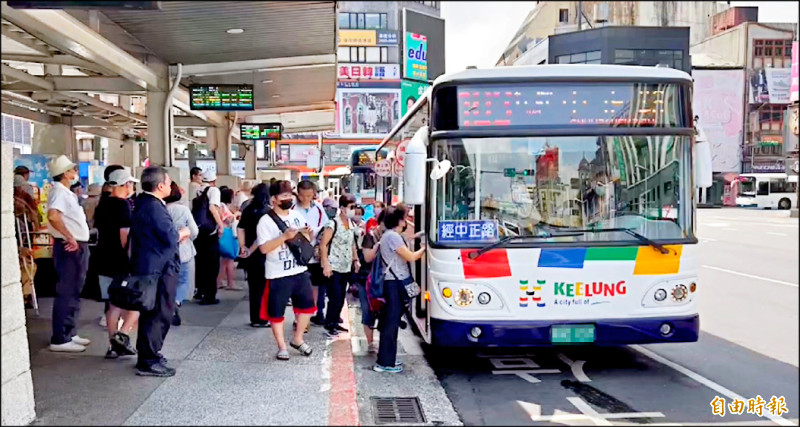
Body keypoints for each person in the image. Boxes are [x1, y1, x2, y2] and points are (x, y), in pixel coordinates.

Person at [131, 166, 188, 377]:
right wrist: (184, 231)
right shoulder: (153, 207)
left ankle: (149, 353)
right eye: (169, 181)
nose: (172, 185)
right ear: (161, 185)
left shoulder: (144, 203)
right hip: (159, 269)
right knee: (159, 313)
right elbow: (170, 236)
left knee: (153, 313)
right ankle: (149, 360)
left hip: (151, 266)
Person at [255, 180, 316, 360]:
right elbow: (264, 249)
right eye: (284, 195)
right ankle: (282, 347)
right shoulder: (265, 221)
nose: (288, 198)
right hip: (277, 273)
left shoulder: (296, 215)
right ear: (274, 199)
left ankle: (298, 339)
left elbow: (305, 239)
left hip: (299, 269)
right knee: (276, 312)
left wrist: (307, 233)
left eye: (290, 195)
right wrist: (284, 237)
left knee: (307, 308)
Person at [46, 155, 92, 352]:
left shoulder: (65, 192)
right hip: (70, 247)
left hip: (76, 245)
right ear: (65, 173)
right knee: (67, 290)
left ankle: (69, 332)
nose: (75, 172)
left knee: (74, 290)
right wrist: (69, 237)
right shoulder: (59, 192)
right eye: (72, 169)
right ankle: (60, 337)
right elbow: (53, 216)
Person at [94, 168, 140, 359]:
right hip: (121, 262)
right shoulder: (122, 206)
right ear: (125, 185)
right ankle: (123, 336)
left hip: (103, 260)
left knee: (112, 304)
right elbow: (125, 236)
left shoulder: (102, 205)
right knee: (138, 301)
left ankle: (113, 345)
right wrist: (131, 259)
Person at [373, 206, 426, 373]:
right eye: (404, 219)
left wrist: (420, 236)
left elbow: (408, 239)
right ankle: (385, 363)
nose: (406, 222)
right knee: (391, 323)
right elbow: (410, 256)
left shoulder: (390, 235)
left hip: (392, 283)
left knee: (391, 321)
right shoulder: (393, 237)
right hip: (394, 284)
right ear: (398, 221)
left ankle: (387, 360)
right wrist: (425, 248)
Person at [319, 194, 360, 338]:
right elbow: (323, 245)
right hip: (334, 266)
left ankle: (335, 321)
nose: (353, 210)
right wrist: (326, 264)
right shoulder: (332, 224)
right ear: (342, 208)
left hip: (346, 266)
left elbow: (352, 244)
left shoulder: (352, 225)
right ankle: (329, 323)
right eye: (351, 207)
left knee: (342, 295)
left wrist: (355, 260)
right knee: (334, 296)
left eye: (355, 207)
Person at [293, 180, 329, 326]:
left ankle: (308, 315)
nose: (306, 198)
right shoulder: (293, 209)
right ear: (298, 194)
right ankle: (298, 318)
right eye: (303, 195)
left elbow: (325, 227)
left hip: (314, 253)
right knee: (298, 287)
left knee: (315, 285)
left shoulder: (319, 209)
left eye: (309, 195)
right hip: (298, 253)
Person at [165, 181, 198, 326]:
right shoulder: (182, 209)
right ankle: (176, 302)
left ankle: (167, 303)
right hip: (184, 250)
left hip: (165, 251)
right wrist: (187, 235)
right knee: (184, 279)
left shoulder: (160, 208)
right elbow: (194, 231)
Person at [237, 183, 271, 327]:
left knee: (253, 287)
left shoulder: (248, 209)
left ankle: (254, 318)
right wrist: (251, 249)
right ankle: (262, 318)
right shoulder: (268, 212)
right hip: (263, 253)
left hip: (250, 256)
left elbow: (240, 228)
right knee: (264, 288)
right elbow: (262, 237)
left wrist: (243, 247)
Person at [192, 170, 225, 305]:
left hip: (199, 231)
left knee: (200, 262)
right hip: (210, 232)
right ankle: (210, 295)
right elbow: (212, 208)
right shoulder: (214, 190)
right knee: (212, 264)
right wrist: (220, 224)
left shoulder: (198, 190)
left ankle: (200, 290)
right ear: (214, 180)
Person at [359, 209, 386, 354]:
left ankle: (383, 340)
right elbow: (368, 257)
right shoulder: (371, 236)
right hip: (366, 279)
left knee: (384, 310)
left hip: (384, 279)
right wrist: (379, 244)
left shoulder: (393, 235)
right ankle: (370, 343)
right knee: (368, 310)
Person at [217, 186, 238, 291]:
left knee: (224, 261)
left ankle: (219, 281)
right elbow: (227, 220)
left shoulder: (221, 205)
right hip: (227, 233)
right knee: (229, 259)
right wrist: (235, 215)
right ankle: (230, 283)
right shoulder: (222, 206)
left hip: (224, 233)